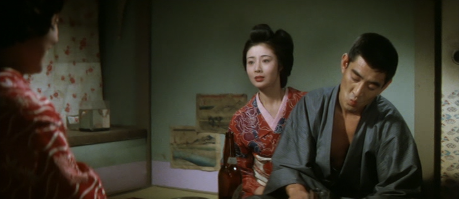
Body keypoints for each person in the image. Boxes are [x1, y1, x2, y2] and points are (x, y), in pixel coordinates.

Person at [258, 33, 423, 199]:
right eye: (355, 77)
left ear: (385, 86)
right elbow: (288, 164)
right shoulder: (312, 104)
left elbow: (399, 189)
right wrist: (297, 191)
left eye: (372, 86)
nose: (358, 92)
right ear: (345, 63)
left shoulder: (389, 123)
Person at [0, 0, 106, 198]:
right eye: (54, 23)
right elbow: (72, 192)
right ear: (29, 23)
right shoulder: (29, 110)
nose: (56, 38)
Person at [229, 24, 307, 199]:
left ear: (280, 65)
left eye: (265, 60)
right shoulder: (240, 119)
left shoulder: (305, 103)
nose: (257, 68)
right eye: (251, 62)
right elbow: (244, 172)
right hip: (263, 192)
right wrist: (265, 193)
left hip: (301, 188)